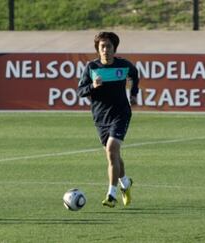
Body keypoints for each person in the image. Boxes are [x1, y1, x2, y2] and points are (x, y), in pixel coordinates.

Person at [77, 32, 139, 208]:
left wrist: (134, 94)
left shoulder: (124, 65)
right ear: (98, 49)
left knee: (112, 149)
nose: (105, 50)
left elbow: (135, 75)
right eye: (102, 46)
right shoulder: (91, 67)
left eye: (108, 46)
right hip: (100, 118)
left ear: (114, 48)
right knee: (114, 155)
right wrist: (93, 86)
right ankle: (125, 183)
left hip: (121, 113)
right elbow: (80, 91)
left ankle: (111, 194)